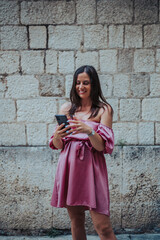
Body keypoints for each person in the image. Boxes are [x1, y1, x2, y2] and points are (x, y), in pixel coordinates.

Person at [49, 65, 117, 240]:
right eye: (78, 83)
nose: (81, 87)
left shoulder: (104, 109)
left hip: (93, 170)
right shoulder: (67, 109)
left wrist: (89, 131)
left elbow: (102, 147)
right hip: (70, 169)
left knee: (103, 226)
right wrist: (57, 135)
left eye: (85, 82)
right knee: (76, 221)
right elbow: (58, 145)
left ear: (93, 85)